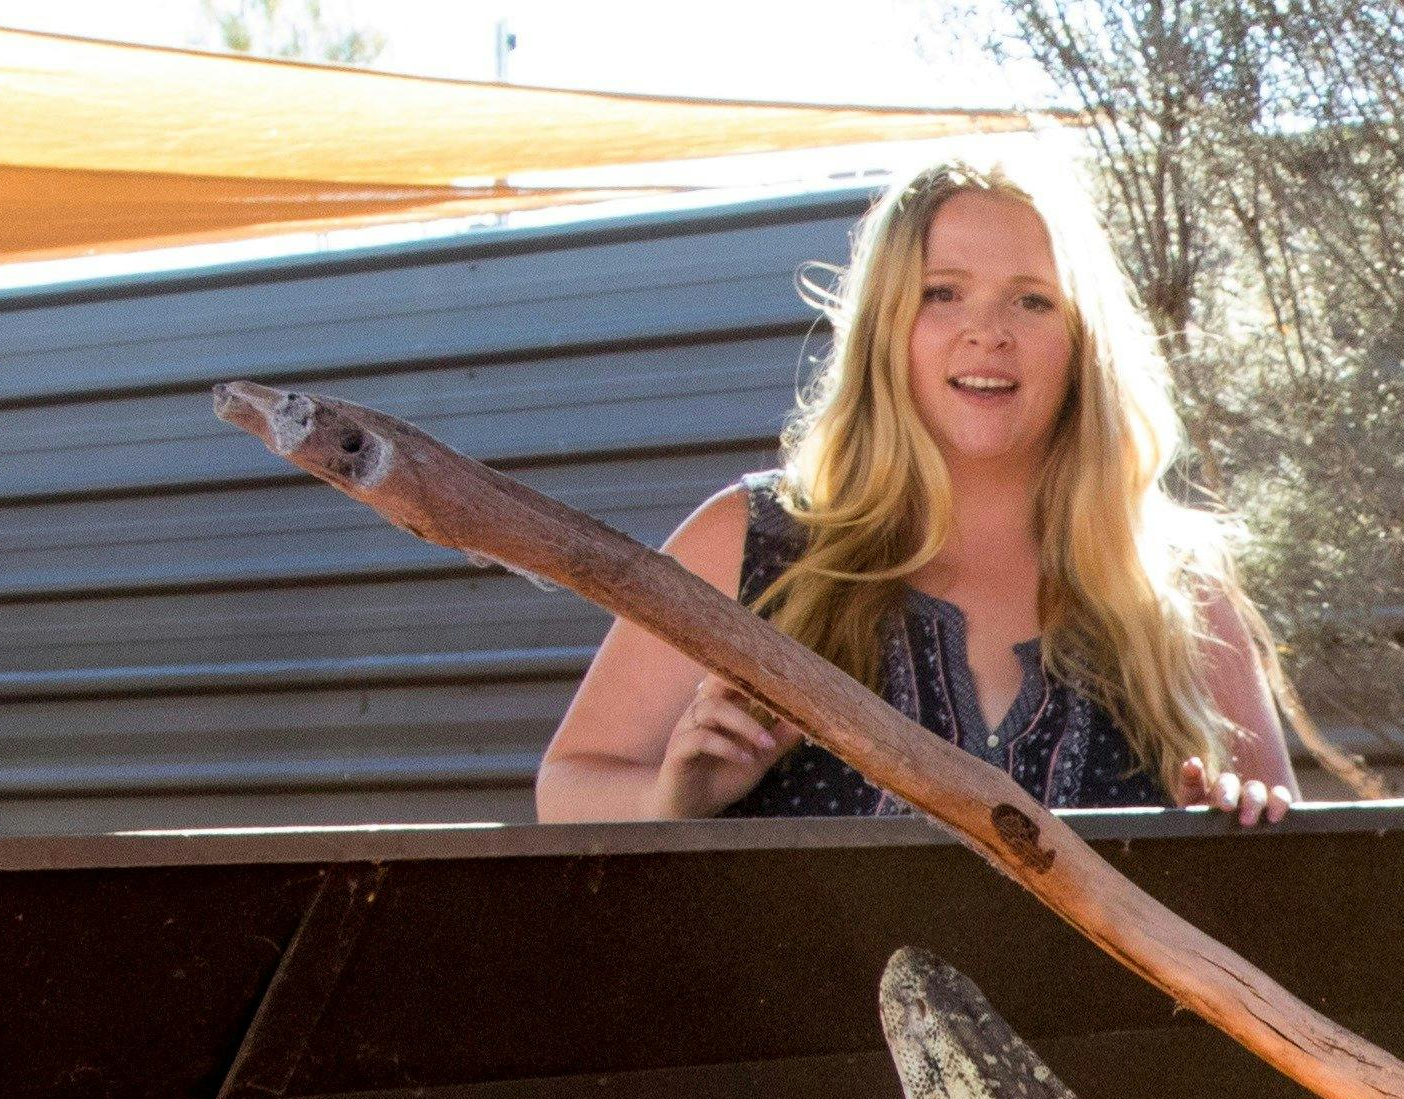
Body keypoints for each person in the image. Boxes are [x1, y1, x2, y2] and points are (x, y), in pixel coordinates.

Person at [540, 156, 1300, 825]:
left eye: (1032, 300)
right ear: (884, 326)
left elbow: (1283, 851)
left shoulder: (1176, 582)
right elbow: (567, 786)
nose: (988, 332)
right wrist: (671, 801)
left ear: (1083, 341)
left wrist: (1228, 837)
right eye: (942, 293)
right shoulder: (747, 541)